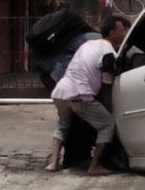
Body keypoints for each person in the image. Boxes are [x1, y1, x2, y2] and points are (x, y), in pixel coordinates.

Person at [45, 15, 130, 175]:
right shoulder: (108, 52)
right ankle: (95, 166)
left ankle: (53, 163)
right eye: (123, 30)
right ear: (112, 33)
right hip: (80, 93)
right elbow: (107, 84)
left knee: (63, 124)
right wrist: (109, 109)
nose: (125, 33)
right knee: (107, 125)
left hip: (60, 91)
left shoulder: (88, 44)